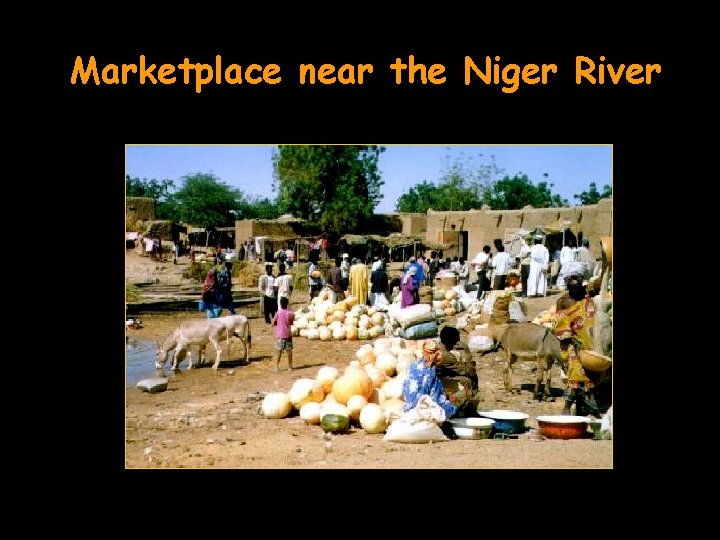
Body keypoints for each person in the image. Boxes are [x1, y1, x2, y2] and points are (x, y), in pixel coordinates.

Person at [553, 274, 602, 417]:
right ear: (568, 288)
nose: (575, 291)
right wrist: (569, 339)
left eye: (577, 288)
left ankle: (582, 408)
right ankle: (567, 408)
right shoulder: (563, 302)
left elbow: (599, 284)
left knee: (591, 377)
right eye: (572, 288)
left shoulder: (586, 293)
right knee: (575, 375)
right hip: (573, 343)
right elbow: (559, 322)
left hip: (591, 342)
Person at [401, 339, 458, 419]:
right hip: (427, 409)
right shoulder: (435, 370)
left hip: (410, 408)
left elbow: (405, 389)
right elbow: (438, 399)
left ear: (423, 353)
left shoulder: (413, 366)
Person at [437, 325, 478, 412]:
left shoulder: (437, 349)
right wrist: (467, 351)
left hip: (440, 377)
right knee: (469, 379)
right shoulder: (447, 356)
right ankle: (469, 409)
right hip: (441, 381)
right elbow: (469, 371)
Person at [271, 296, 295, 372]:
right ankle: (290, 367)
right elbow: (291, 322)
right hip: (288, 334)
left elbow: (273, 323)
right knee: (289, 351)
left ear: (280, 304)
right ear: (287, 304)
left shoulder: (278, 312)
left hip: (280, 335)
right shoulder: (290, 313)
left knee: (279, 351)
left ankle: (277, 367)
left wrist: (274, 323)